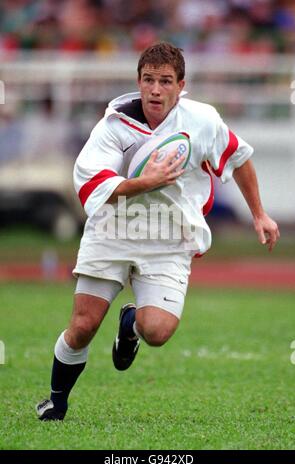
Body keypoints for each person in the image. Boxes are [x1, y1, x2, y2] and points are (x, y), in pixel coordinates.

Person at [36, 42, 279, 421]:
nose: (155, 89)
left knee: (158, 332)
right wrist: (144, 182)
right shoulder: (114, 124)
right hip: (113, 231)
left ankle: (130, 322)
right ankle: (56, 400)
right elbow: (90, 184)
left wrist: (259, 213)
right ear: (139, 81)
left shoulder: (202, 120)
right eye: (148, 80)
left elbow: (239, 157)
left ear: (181, 86)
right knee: (83, 326)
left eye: (165, 81)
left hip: (169, 239)